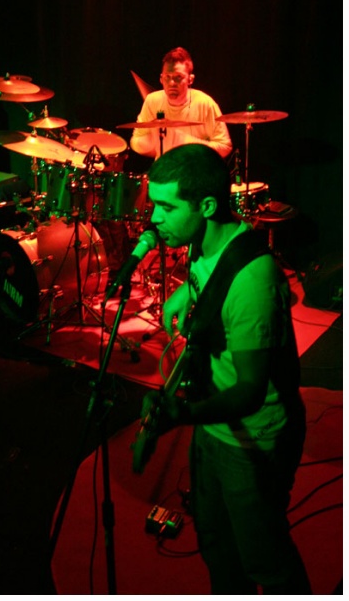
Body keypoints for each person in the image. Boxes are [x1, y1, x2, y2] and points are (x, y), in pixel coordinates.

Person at [141, 144, 312, 594]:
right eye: (153, 204)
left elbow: (250, 391)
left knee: (265, 560)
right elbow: (212, 272)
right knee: (216, 542)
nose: (154, 218)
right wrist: (185, 293)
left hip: (252, 438)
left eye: (166, 207)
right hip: (214, 425)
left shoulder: (255, 281)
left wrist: (181, 414)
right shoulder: (205, 238)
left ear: (207, 206)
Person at [130, 47, 232, 161]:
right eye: (167, 77)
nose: (172, 83)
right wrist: (153, 140)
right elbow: (135, 141)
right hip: (164, 168)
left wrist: (184, 142)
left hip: (195, 169)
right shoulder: (152, 101)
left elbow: (225, 147)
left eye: (178, 77)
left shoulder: (205, 103)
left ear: (190, 79)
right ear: (161, 78)